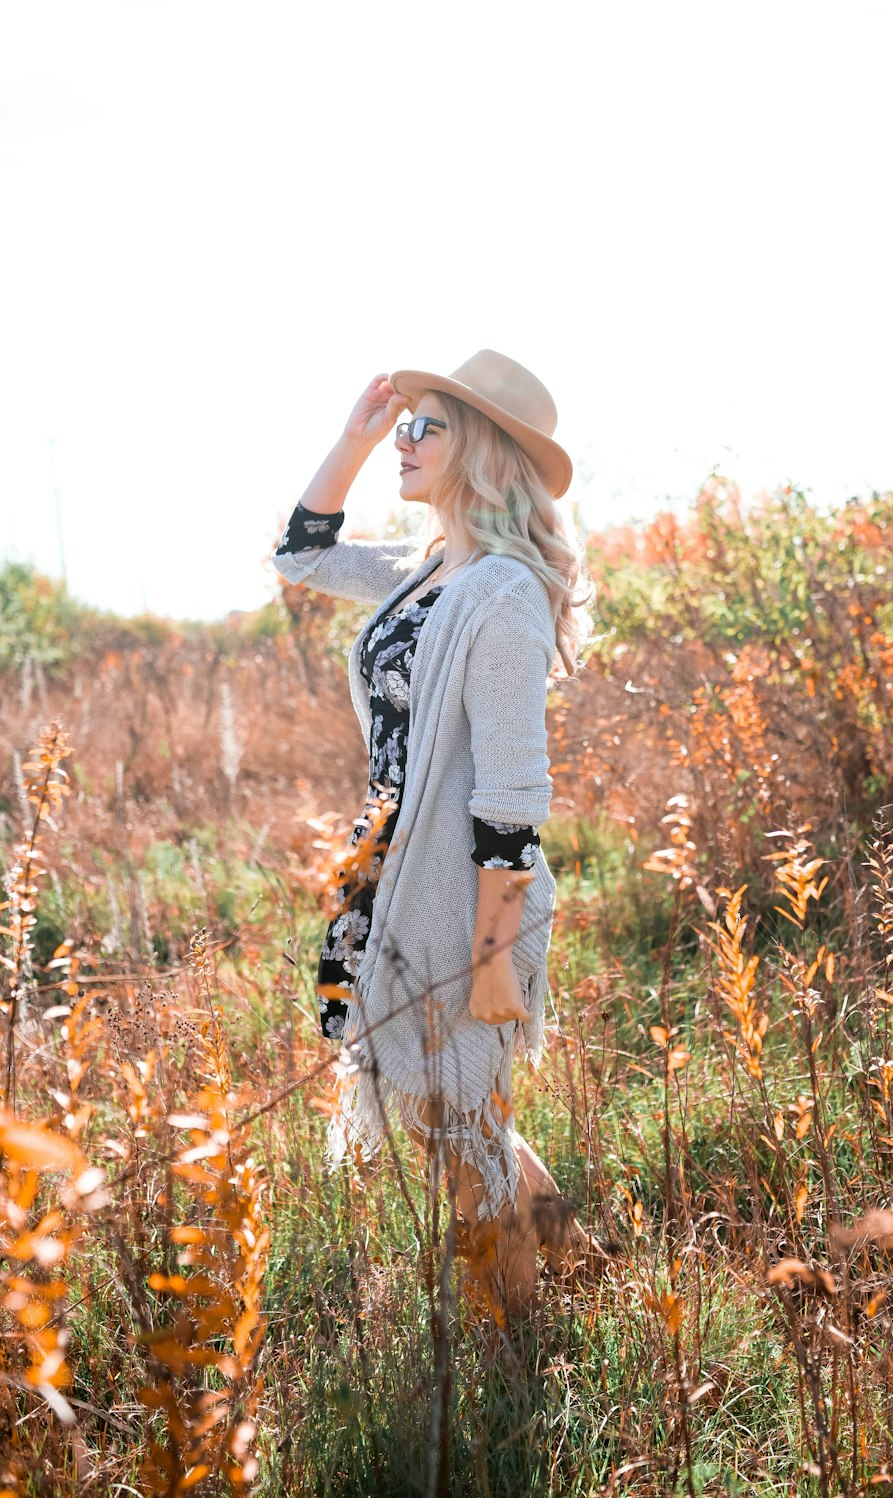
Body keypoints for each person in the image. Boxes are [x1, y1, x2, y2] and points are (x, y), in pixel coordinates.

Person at [272, 350, 614, 1316]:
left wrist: (493, 957)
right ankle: (584, 1269)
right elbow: (300, 553)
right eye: (405, 424)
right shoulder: (433, 569)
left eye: (429, 426)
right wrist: (355, 437)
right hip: (388, 868)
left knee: (458, 1125)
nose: (405, 441)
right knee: (450, 1116)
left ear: (487, 451)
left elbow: (511, 792)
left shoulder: (500, 593)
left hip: (460, 889)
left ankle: (519, 1350)